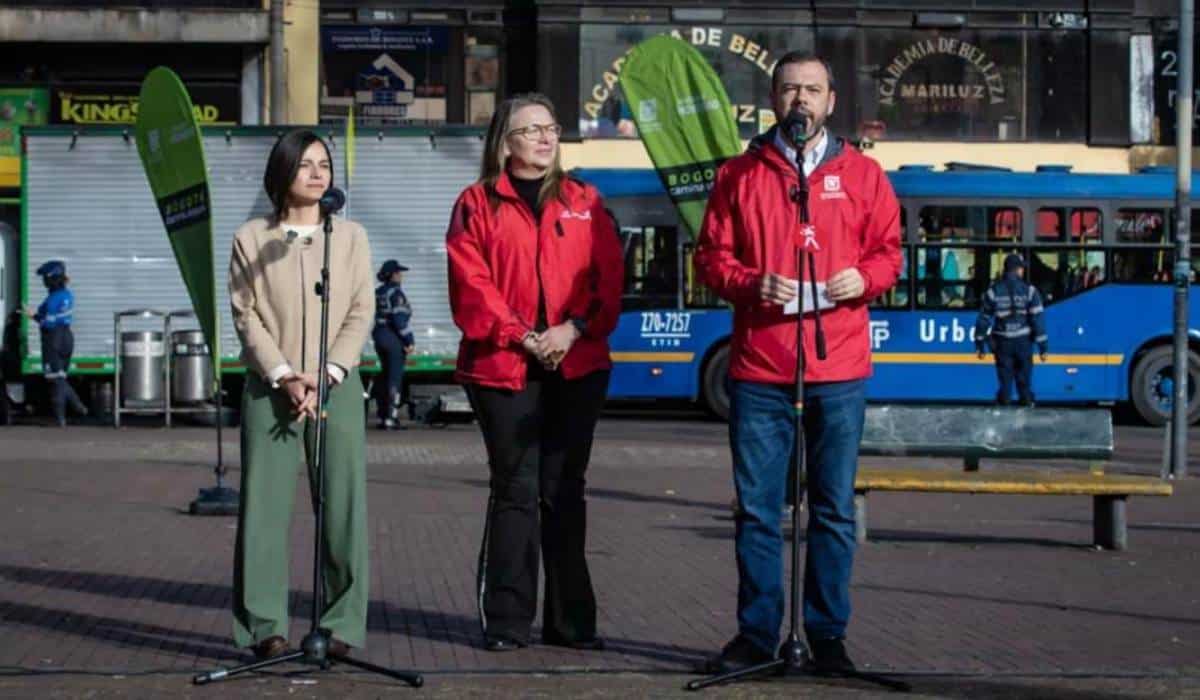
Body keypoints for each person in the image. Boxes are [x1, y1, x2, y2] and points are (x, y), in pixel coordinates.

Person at [693, 51, 902, 675]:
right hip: (760, 367)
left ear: (831, 100)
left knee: (833, 510)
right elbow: (709, 257)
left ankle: (827, 636)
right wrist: (748, 282)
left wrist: (860, 279)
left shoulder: (863, 174)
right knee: (758, 510)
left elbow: (890, 254)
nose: (800, 101)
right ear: (773, 99)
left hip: (837, 366)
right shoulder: (739, 174)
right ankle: (757, 636)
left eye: (812, 90)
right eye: (789, 90)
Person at [445, 93, 623, 652]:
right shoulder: (477, 204)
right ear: (505, 142)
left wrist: (571, 330)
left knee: (564, 491)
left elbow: (608, 282)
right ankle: (506, 622)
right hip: (503, 369)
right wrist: (523, 336)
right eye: (530, 130)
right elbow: (471, 285)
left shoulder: (586, 200)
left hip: (578, 364)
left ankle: (572, 624)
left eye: (551, 128)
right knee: (516, 491)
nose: (545, 138)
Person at [227, 129, 374, 661]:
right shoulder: (251, 238)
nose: (317, 173)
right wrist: (286, 375)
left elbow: (361, 308)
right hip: (272, 389)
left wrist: (329, 371)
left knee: (343, 507)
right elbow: (246, 316)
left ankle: (340, 625)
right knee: (264, 509)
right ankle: (264, 625)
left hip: (337, 385)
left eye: (324, 164)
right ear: (281, 173)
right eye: (305, 164)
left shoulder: (350, 237)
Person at [974, 253, 1048, 407]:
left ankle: (1004, 412)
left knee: (1005, 383)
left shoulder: (993, 291)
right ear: (1018, 270)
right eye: (1021, 268)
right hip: (1023, 343)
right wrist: (1043, 348)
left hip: (1002, 343)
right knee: (1024, 384)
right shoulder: (1030, 291)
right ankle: (1026, 412)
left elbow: (984, 319)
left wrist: (980, 343)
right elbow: (1037, 320)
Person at [26, 260, 88, 426]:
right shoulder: (67, 295)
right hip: (67, 337)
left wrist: (33, 316)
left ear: (51, 278)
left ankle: (73, 410)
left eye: (45, 278)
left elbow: (48, 322)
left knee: (55, 380)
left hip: (53, 339)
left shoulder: (53, 299)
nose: (43, 282)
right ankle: (67, 414)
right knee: (60, 378)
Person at [373, 259, 414, 429]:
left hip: (379, 335)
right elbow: (399, 319)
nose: (401, 276)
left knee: (384, 375)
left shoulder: (378, 292)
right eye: (398, 273)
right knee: (394, 378)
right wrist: (409, 340)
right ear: (392, 275)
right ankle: (391, 417)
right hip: (393, 338)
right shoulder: (396, 294)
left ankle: (383, 415)